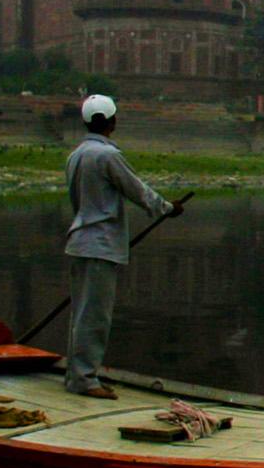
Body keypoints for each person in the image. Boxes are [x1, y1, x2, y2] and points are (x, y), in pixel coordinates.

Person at [63, 94, 179, 397]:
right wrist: (166, 208)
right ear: (112, 122)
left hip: (79, 241)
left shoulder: (75, 155)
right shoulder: (106, 156)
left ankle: (77, 376)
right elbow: (136, 190)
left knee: (81, 313)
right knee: (95, 316)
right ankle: (85, 380)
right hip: (99, 245)